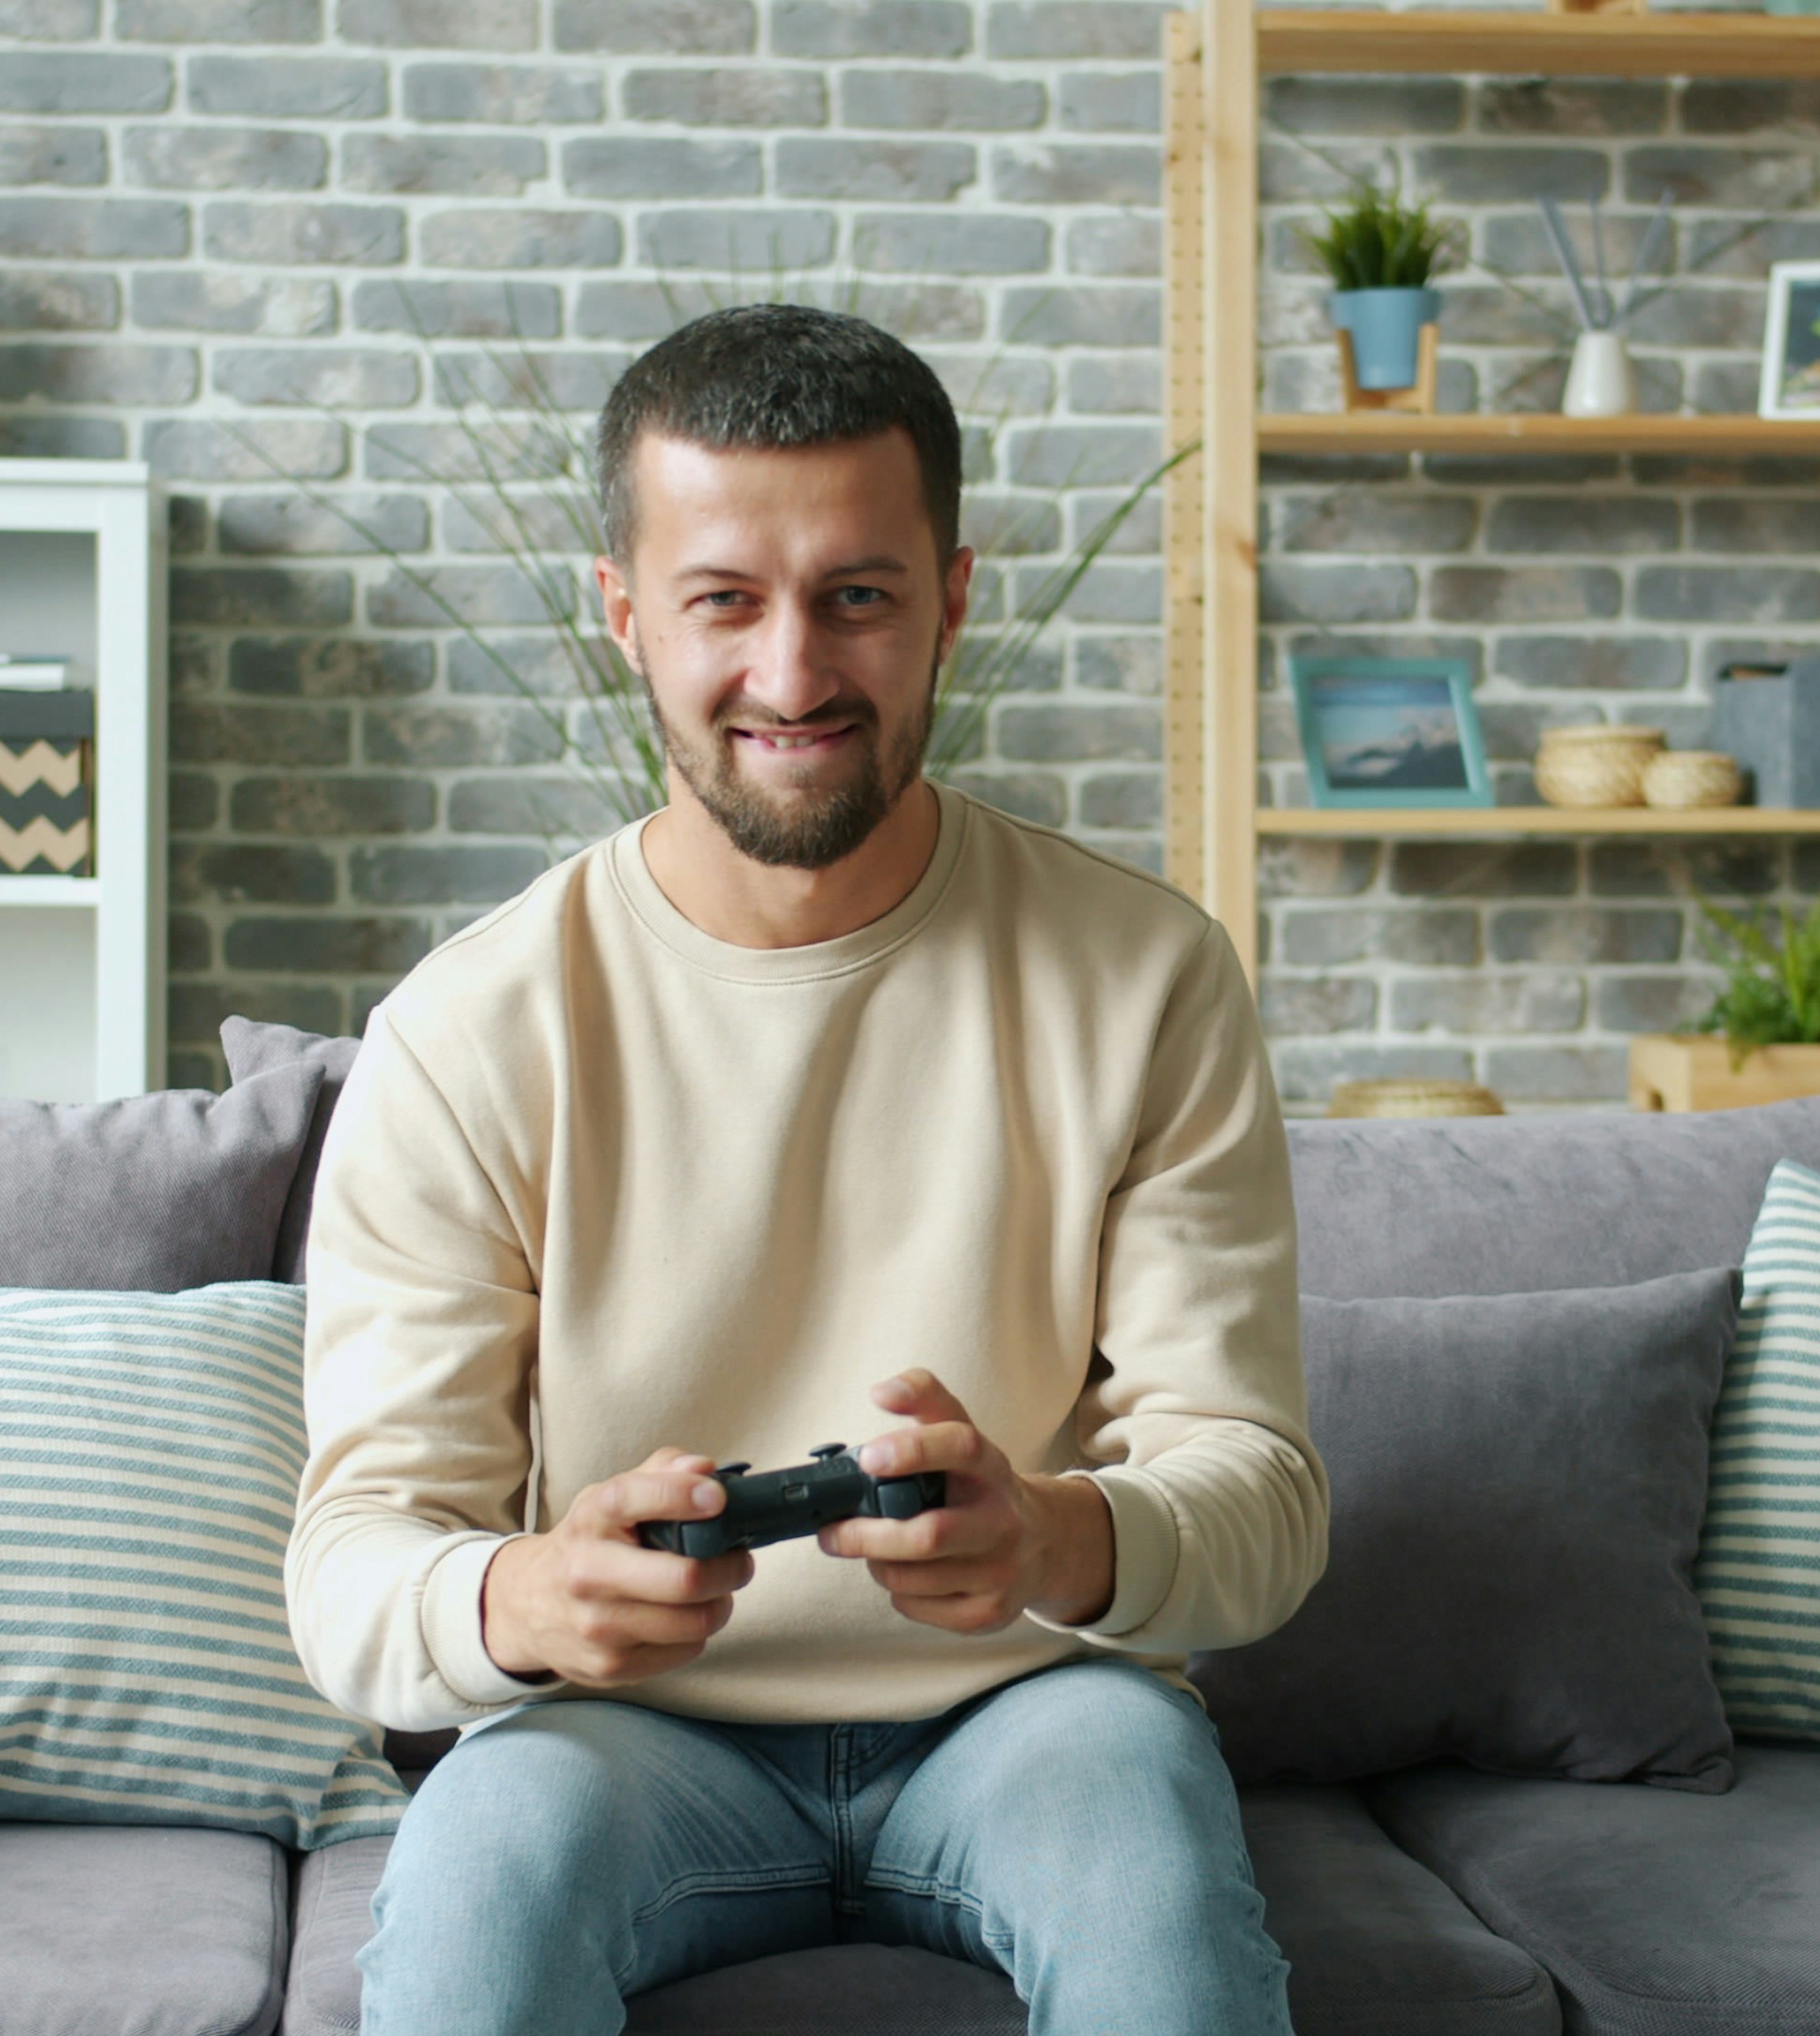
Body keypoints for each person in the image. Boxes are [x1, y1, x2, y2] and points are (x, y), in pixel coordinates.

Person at [287, 302, 1326, 2036]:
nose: (791, 674)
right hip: (620, 1737)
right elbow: (352, 1571)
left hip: (1035, 1709)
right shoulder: (466, 1029)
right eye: (723, 600)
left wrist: (1056, 1538)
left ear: (953, 601)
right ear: (624, 614)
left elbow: (1263, 1501)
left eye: (857, 594)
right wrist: (531, 1591)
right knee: (473, 1913)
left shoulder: (1147, 979)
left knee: (1157, 1904)